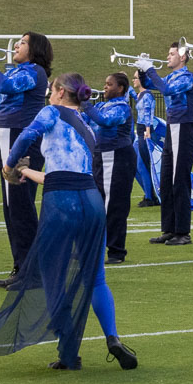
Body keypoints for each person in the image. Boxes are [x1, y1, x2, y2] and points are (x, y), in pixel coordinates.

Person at [0, 73, 137, 371]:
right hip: (91, 200)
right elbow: (64, 174)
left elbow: (28, 135)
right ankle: (113, 337)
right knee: (96, 278)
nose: (48, 95)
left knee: (54, 277)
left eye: (51, 90)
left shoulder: (51, 112)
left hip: (62, 204)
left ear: (60, 92)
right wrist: (27, 173)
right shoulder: (87, 125)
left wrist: (9, 164)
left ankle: (69, 355)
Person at [0, 31, 52, 288]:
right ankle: (22, 266)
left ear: (35, 49)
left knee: (20, 206)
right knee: (11, 207)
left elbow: (4, 86)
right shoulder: (19, 71)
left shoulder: (35, 71)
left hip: (21, 139)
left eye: (23, 42)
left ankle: (32, 271)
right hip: (8, 136)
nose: (17, 45)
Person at [137, 42, 193, 246]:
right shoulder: (171, 76)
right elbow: (150, 84)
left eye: (172, 53)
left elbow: (168, 90)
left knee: (179, 179)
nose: (168, 56)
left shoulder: (187, 77)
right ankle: (169, 228)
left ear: (183, 57)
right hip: (174, 128)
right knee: (166, 179)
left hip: (184, 127)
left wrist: (150, 68)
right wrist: (141, 68)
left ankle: (183, 232)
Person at [81, 72, 137, 265]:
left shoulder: (122, 107)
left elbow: (105, 121)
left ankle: (116, 251)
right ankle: (94, 247)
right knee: (97, 203)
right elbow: (85, 122)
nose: (104, 87)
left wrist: (86, 103)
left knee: (114, 206)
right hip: (102, 156)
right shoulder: (102, 105)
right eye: (104, 84)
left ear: (120, 88)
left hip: (117, 156)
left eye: (109, 84)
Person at [131, 74, 159, 207]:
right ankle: (150, 193)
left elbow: (148, 112)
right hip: (141, 130)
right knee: (136, 166)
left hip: (145, 131)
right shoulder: (140, 94)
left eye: (135, 78)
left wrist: (147, 130)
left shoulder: (147, 95)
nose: (133, 80)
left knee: (142, 165)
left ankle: (150, 197)